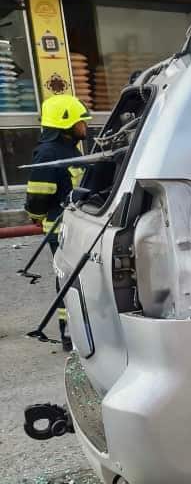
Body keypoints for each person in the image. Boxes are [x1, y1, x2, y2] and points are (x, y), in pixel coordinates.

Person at [24, 94, 91, 350]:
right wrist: (38, 217)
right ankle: (70, 336)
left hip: (78, 230)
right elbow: (38, 196)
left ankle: (79, 332)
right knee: (67, 282)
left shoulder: (68, 151)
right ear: (66, 124)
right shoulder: (48, 154)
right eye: (80, 122)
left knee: (79, 282)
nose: (85, 126)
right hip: (62, 232)